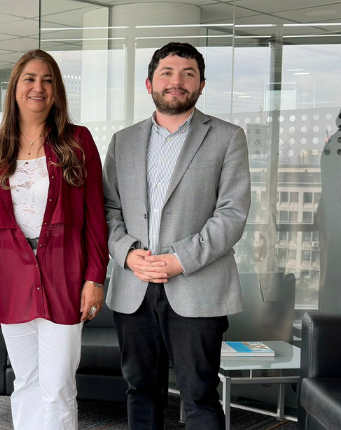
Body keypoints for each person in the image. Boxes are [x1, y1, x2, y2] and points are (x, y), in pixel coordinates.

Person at [103, 42, 251, 429]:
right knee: (140, 391)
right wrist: (128, 254)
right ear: (149, 82)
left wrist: (179, 259)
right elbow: (108, 209)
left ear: (202, 85)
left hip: (197, 285)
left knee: (199, 395)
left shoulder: (227, 136)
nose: (177, 81)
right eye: (167, 73)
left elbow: (232, 214)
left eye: (188, 74)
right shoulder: (123, 141)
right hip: (133, 286)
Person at [0, 49, 109, 430]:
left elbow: (96, 216)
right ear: (15, 88)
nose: (38, 87)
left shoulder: (77, 141)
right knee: (25, 381)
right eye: (29, 78)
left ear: (57, 90)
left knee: (58, 385)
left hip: (64, 275)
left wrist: (95, 278)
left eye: (47, 80)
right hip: (10, 278)